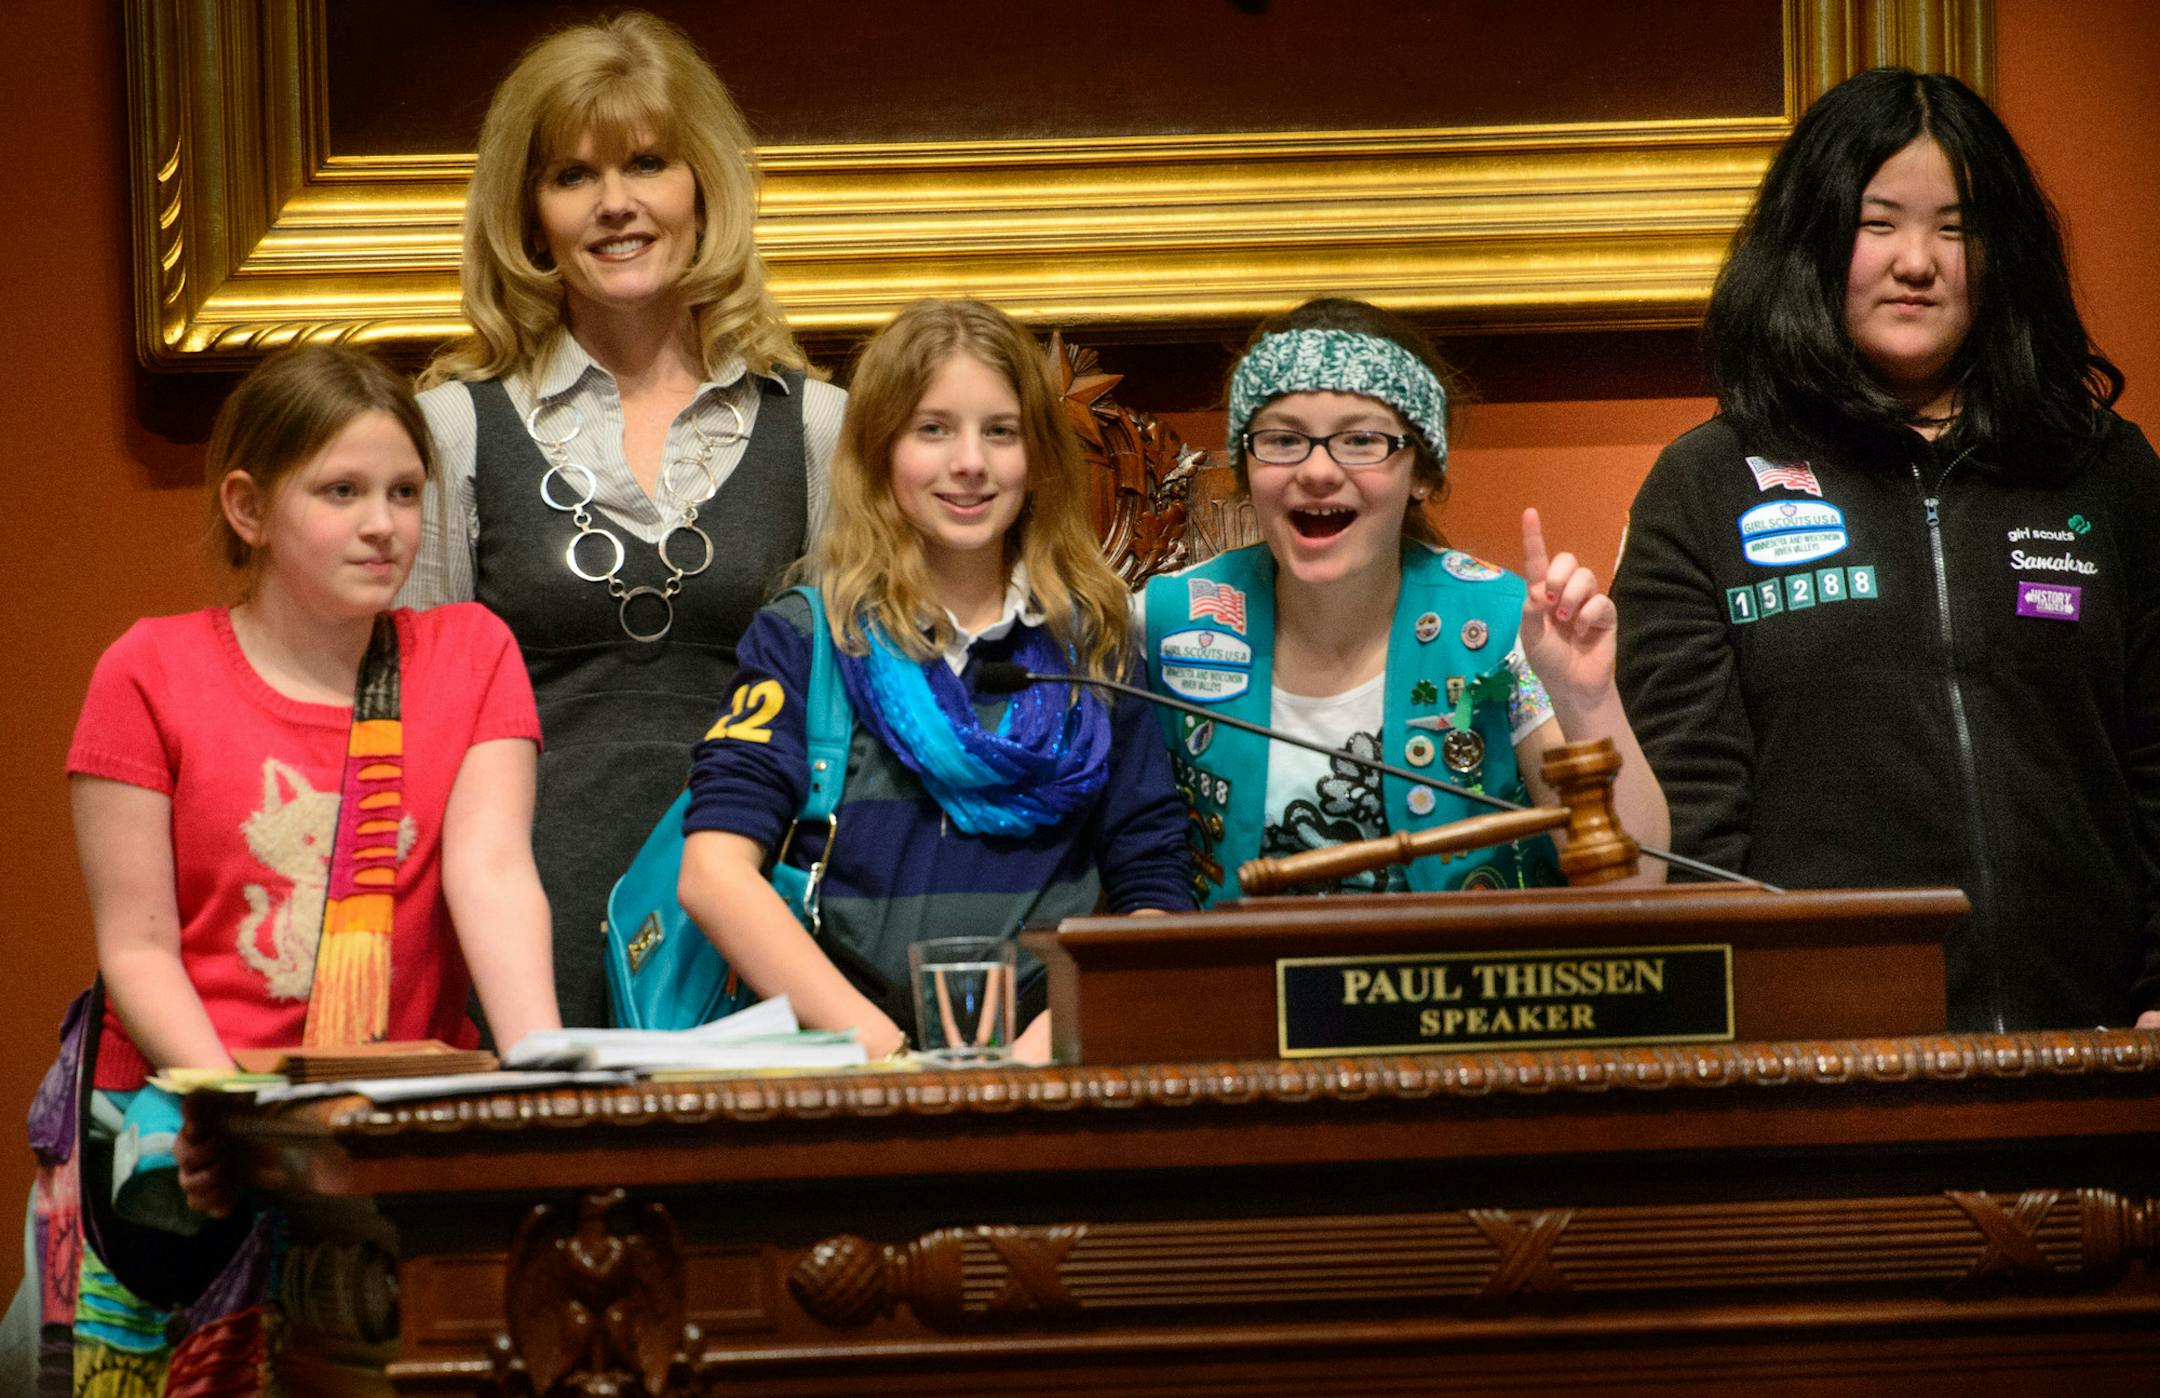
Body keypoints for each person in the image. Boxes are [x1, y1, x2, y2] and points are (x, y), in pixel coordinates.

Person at [26, 345, 558, 1393]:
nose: (383, 524)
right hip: (187, 1141)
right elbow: (137, 945)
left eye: (404, 492)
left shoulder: (471, 653)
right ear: (249, 508)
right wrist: (234, 1112)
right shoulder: (150, 670)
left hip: (379, 1152)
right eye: (341, 491)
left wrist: (546, 1078)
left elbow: (493, 876)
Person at [1611, 68, 2160, 1032]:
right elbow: (1691, 819)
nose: (1918, 262)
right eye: (1878, 223)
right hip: (1819, 1060)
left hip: (2097, 1044)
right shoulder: (1705, 486)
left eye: (1956, 227)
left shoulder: (2105, 470)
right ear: (1814, 239)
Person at [400, 11, 846, 1026]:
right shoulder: (450, 433)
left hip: (757, 945)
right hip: (524, 952)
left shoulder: (819, 427)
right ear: (529, 216)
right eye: (573, 175)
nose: (615, 204)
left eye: (647, 162)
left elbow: (854, 716)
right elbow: (417, 735)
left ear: (703, 189)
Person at [677, 299, 1192, 1060]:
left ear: (1038, 458)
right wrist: (886, 1057)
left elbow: (1154, 888)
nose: (971, 462)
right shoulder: (809, 640)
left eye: (1001, 431)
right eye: (933, 429)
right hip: (853, 1074)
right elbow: (714, 874)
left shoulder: (1096, 648)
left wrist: (1043, 1051)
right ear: (879, 452)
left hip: (1048, 1070)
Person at [1141, 298, 1669, 904]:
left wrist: (1585, 701)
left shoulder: (1504, 631)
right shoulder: (1162, 622)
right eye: (1283, 439)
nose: (1317, 470)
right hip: (1237, 966)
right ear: (1246, 467)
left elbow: (1636, 884)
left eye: (1361, 440)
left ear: (1421, 473)